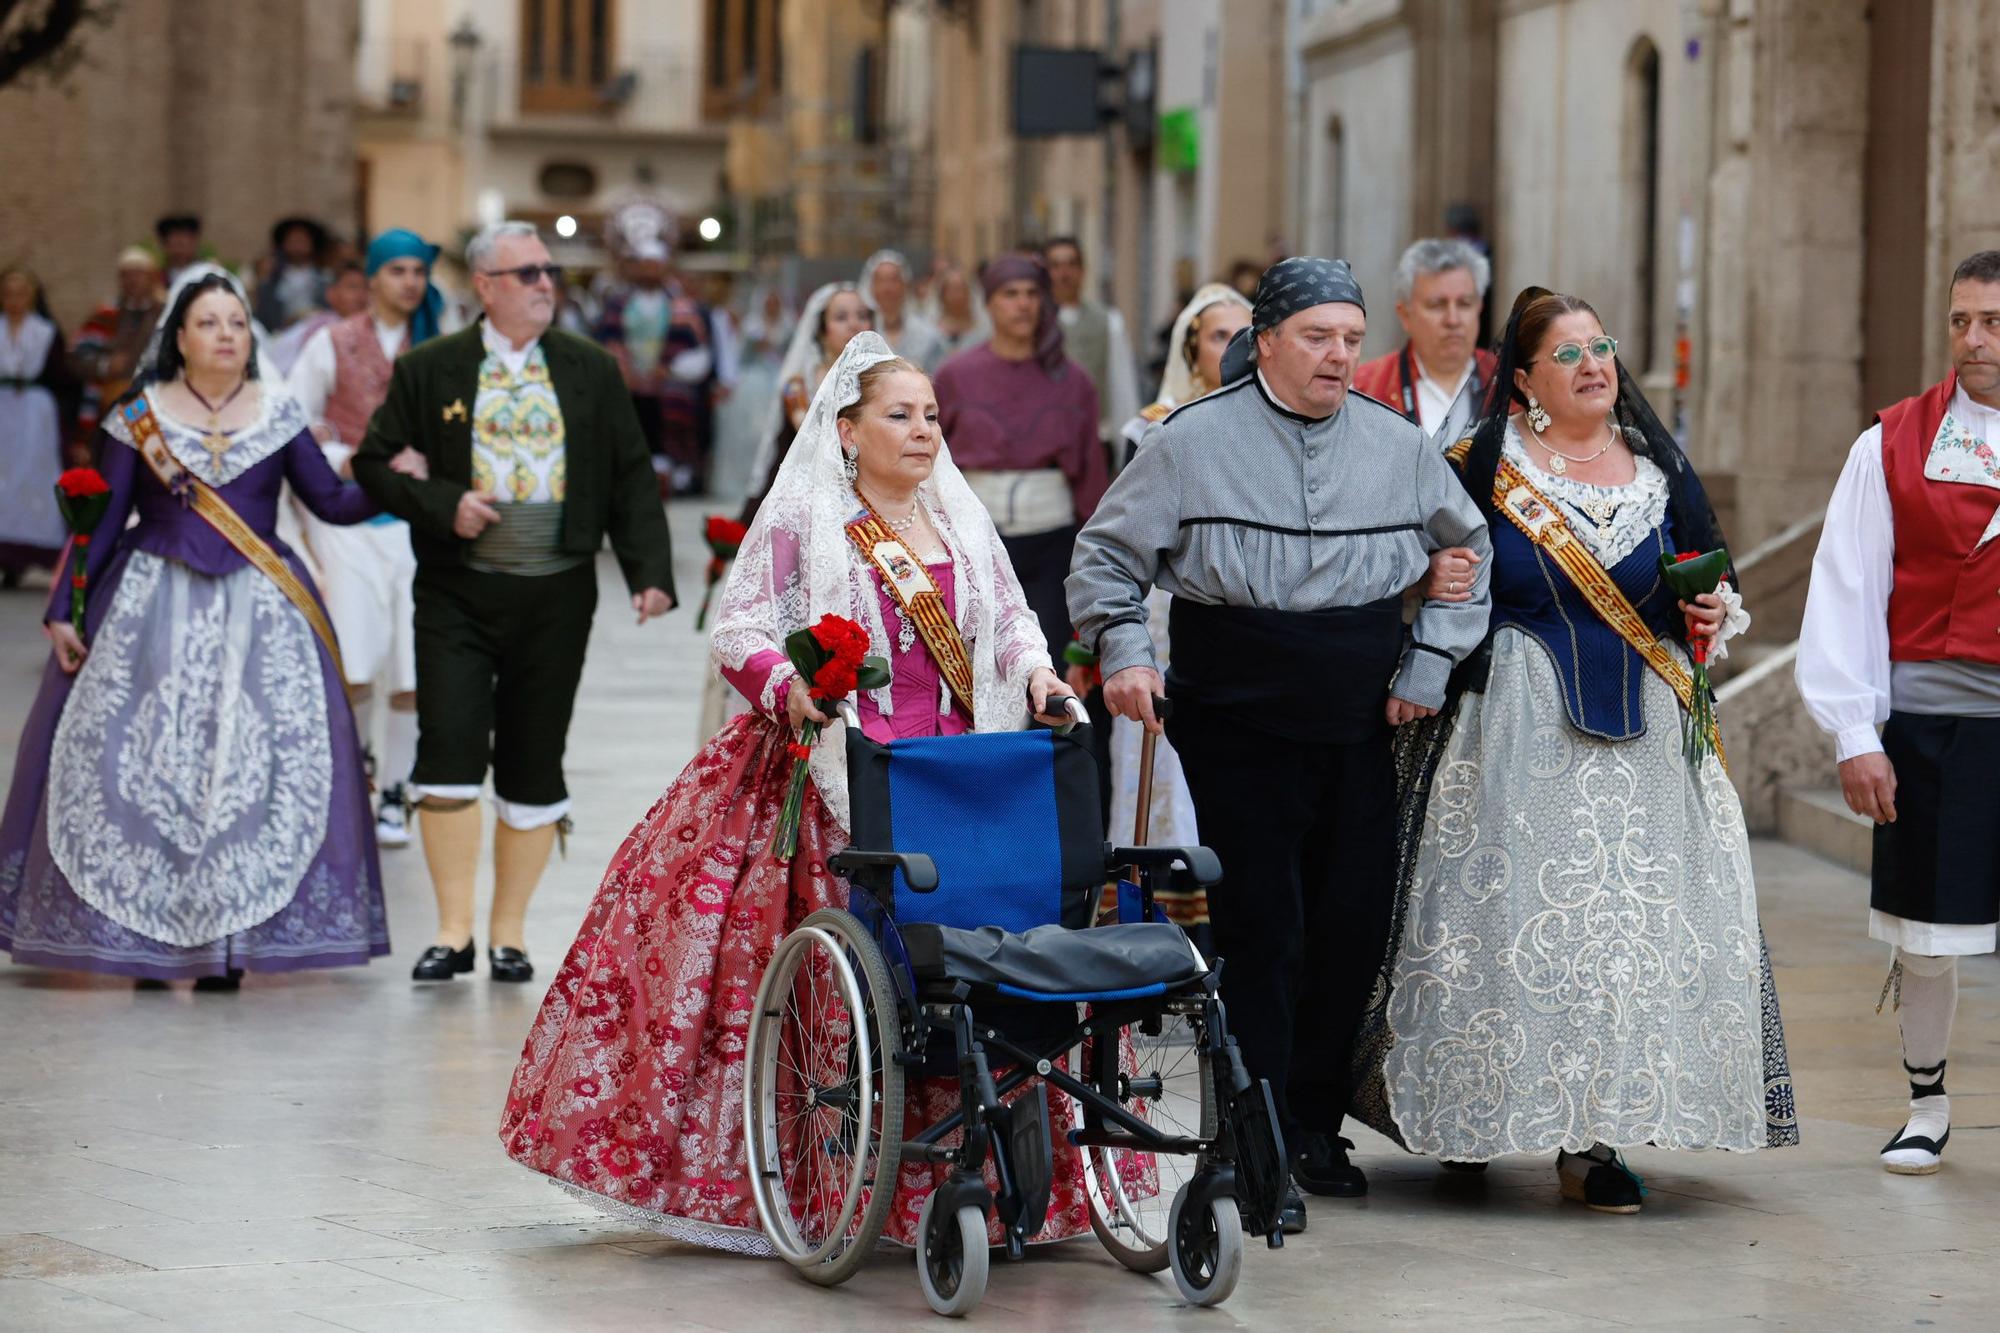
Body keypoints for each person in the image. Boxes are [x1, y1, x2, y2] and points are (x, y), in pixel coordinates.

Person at [498, 331, 1087, 1253]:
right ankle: (822, 1173)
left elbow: (1008, 619)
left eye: (932, 414)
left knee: (984, 964)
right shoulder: (808, 518)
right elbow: (739, 624)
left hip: (961, 772)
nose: (925, 431)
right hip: (839, 771)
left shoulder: (962, 519)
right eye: (901, 415)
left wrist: (1042, 676)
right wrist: (791, 684)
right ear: (846, 430)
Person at [1068, 257, 1491, 1229]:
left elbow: (1466, 556)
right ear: (1262, 343)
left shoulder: (1396, 446)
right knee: (1263, 927)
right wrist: (1124, 649)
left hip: (1357, 715)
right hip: (1234, 714)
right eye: (1316, 337)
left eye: (1349, 339)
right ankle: (1247, 1127)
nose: (1338, 355)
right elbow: (1105, 557)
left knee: (1348, 922)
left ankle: (1308, 1121)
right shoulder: (1189, 443)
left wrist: (1426, 666)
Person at [1354, 287, 1795, 1213]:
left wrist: (1710, 612)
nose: (1595, 364)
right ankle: (1474, 1114)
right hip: (1512, 729)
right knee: (1502, 929)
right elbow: (1405, 567)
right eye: (1569, 353)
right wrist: (1426, 574)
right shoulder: (1479, 463)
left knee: (1621, 943)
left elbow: (1705, 579)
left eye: (1603, 346)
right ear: (1524, 380)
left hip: (1644, 737)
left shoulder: (1657, 469)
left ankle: (1591, 1140)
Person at [0, 266, 390, 987]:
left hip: (263, 614)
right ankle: (152, 935)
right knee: (152, 766)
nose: (225, 336)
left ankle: (228, 946)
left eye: (237, 323)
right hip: (152, 604)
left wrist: (400, 480)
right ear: (178, 337)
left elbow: (330, 502)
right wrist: (64, 610)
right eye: (208, 323)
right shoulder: (139, 415)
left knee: (247, 774)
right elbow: (105, 522)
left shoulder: (278, 413)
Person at [353, 220, 676, 985]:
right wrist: (441, 502)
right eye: (526, 273)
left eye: (549, 271)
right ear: (486, 287)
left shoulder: (589, 367)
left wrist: (648, 571)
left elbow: (630, 471)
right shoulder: (432, 367)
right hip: (457, 590)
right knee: (450, 745)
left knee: (535, 755)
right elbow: (371, 461)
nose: (544, 284)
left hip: (558, 592)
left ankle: (508, 935)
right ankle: (452, 929)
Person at [1796, 250, 2000, 1176]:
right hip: (1930, 725)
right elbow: (1847, 587)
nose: (1974, 339)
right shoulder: (1891, 443)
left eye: (1992, 321)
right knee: (1927, 934)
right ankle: (1927, 1103)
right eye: (1961, 320)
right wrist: (1854, 733)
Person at [1096, 283, 1252, 928]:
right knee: (1156, 741)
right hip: (1167, 606)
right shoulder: (1157, 424)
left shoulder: (1266, 420)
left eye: (1243, 334)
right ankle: (1155, 892)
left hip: (1241, 607)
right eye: (1219, 335)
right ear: (1192, 349)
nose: (1232, 347)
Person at [288, 228, 449, 849]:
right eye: (398, 270)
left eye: (418, 271)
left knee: (412, 667)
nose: (410, 282)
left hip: (418, 524)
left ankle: (396, 792)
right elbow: (293, 418)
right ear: (374, 277)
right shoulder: (331, 341)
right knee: (353, 658)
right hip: (349, 522)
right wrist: (339, 457)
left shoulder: (438, 342)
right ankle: (355, 779)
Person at [704, 283, 875, 739]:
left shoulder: (888, 389)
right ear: (820, 330)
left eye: (862, 314)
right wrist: (745, 529)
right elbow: (778, 461)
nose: (855, 324)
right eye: (842, 316)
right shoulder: (800, 388)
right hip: (812, 524)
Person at [935, 253, 1107, 661]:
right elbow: (929, 464)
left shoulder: (1074, 381)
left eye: (1032, 294)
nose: (1023, 303)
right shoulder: (954, 376)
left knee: (1044, 664)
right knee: (974, 664)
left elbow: (1091, 477)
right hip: (974, 543)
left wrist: (1096, 558)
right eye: (1010, 294)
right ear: (989, 302)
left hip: (1052, 545)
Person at [1351, 238, 1496, 448]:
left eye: (1464, 304)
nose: (1453, 320)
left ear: (1479, 309)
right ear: (1405, 315)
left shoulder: (1510, 382)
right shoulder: (1363, 388)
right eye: (1437, 305)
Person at [0, 268, 79, 584]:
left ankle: (39, 551)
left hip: (35, 416)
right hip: (2, 412)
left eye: (21, 293)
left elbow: (64, 380)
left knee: (34, 479)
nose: (15, 300)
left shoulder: (46, 332)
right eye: (8, 293)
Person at [1044, 237, 1140, 472]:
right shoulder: (1033, 326)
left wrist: (1128, 450)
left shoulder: (1108, 322)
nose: (1063, 273)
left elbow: (1121, 388)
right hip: (1045, 446)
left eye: (1071, 264)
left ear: (1082, 271)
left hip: (1094, 441)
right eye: (1055, 266)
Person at [71, 247, 165, 442]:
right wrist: (104, 366)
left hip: (158, 409)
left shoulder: (166, 316)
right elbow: (76, 357)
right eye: (126, 275)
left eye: (139, 274)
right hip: (109, 409)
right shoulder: (105, 316)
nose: (132, 281)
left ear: (153, 277)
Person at [268, 261, 367, 377]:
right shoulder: (319, 329)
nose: (361, 295)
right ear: (331, 294)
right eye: (352, 287)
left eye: (366, 288)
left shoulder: (374, 329)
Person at [860, 248, 946, 371]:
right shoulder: (860, 335)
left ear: (905, 284)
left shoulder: (928, 335)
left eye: (893, 280)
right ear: (871, 287)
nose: (887, 288)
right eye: (881, 280)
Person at [253, 216, 331, 332]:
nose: (297, 247)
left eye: (302, 241)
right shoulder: (271, 282)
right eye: (293, 241)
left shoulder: (325, 279)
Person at [931, 262, 987, 364]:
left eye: (961, 289)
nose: (957, 295)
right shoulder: (930, 330)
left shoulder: (984, 330)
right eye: (952, 290)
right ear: (942, 295)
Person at [155, 214, 205, 287]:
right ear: (164, 244)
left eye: (185, 237)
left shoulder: (208, 273)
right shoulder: (157, 278)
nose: (180, 241)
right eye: (175, 238)